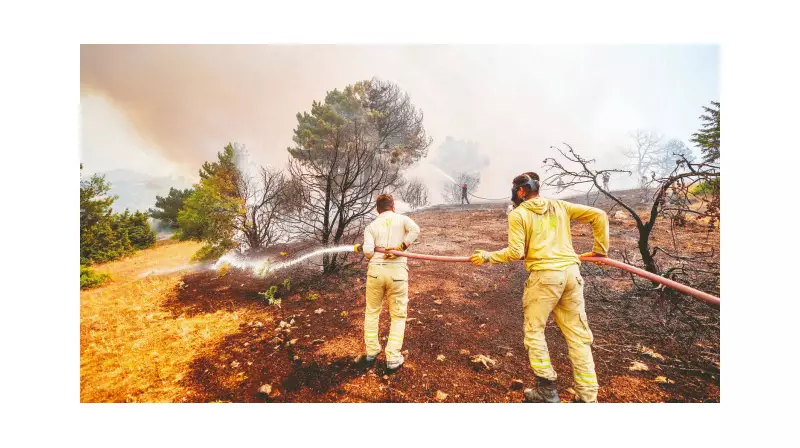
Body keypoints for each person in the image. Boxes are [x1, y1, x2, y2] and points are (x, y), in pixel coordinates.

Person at [470, 172, 609, 403]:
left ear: (522, 191)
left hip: (545, 278)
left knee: (535, 331)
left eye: (515, 189)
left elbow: (515, 252)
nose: (514, 194)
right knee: (578, 336)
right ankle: (587, 397)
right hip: (571, 275)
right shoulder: (560, 206)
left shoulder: (519, 214)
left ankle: (546, 389)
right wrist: (600, 249)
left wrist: (487, 256)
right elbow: (599, 215)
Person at [357, 193, 420, 371]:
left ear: (377, 209)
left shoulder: (371, 226)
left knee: (372, 312)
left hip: (375, 272)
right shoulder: (402, 219)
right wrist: (401, 247)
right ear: (393, 207)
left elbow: (368, 252)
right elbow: (415, 230)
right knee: (398, 315)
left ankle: (371, 350)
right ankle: (392, 356)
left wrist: (364, 248)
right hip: (397, 273)